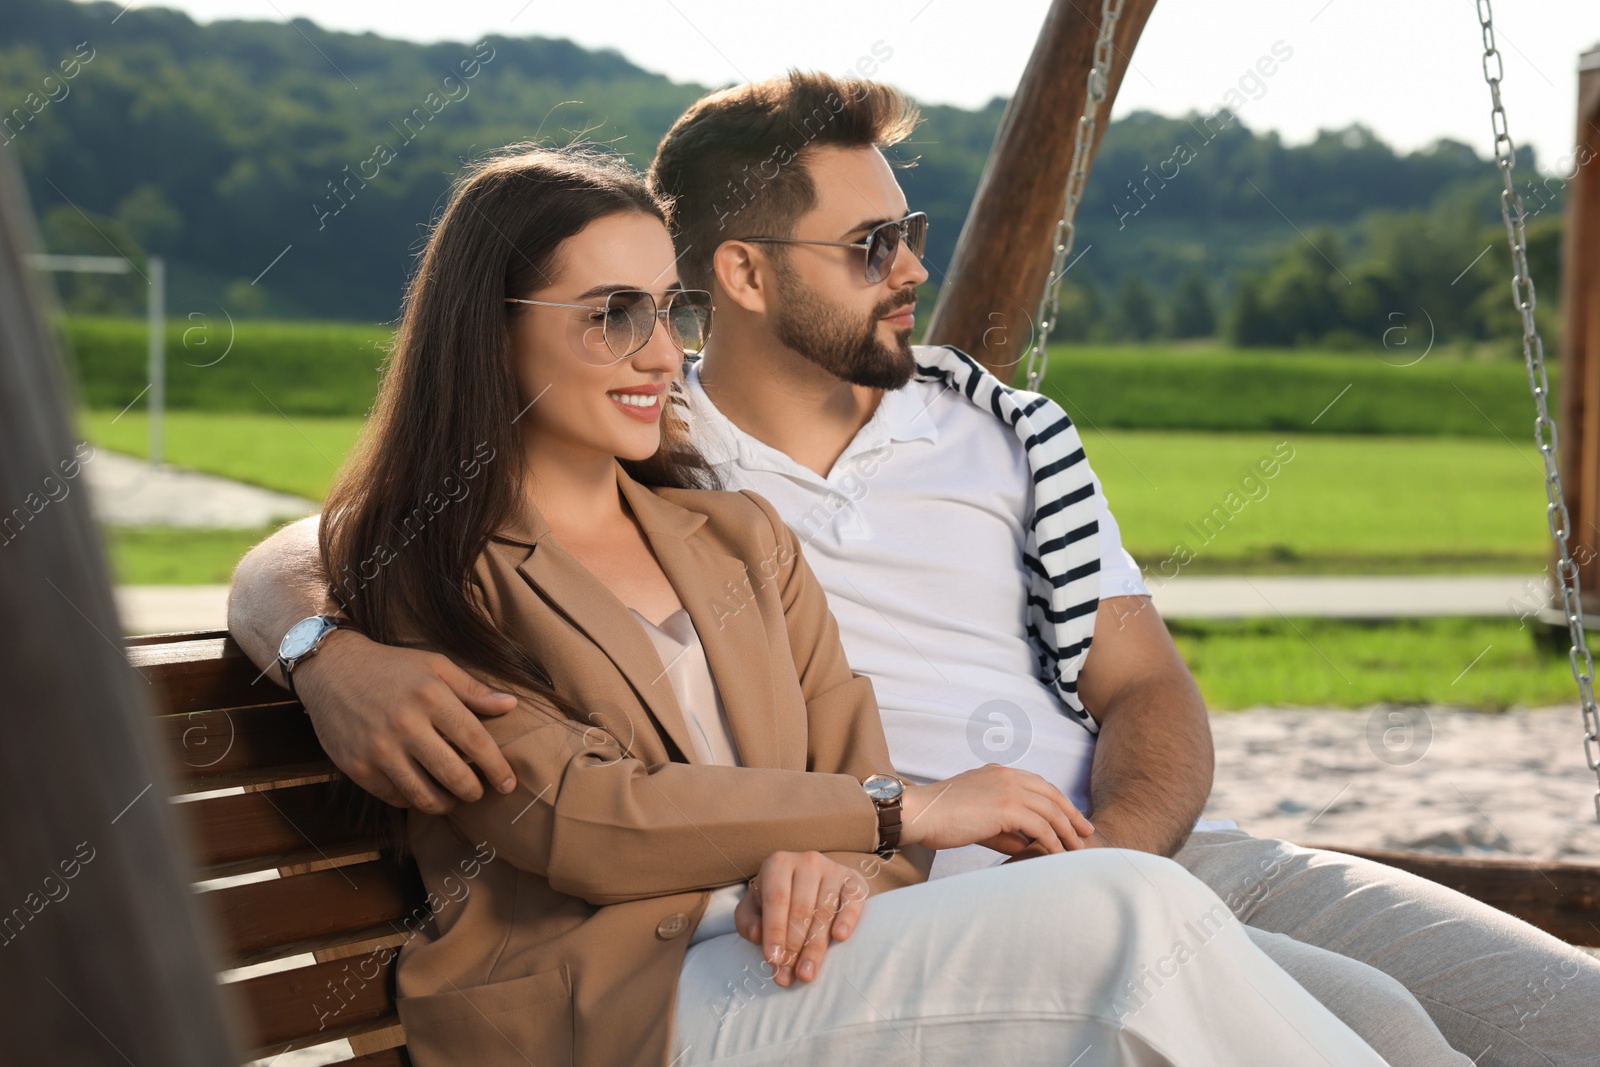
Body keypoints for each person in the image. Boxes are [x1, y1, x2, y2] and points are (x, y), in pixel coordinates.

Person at [229, 74, 1598, 1065]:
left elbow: (1127, 691)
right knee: (1300, 1006)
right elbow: (343, 547)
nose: (912, 269)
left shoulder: (955, 446)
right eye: (872, 243)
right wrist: (314, 646)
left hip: (1137, 861)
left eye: (915, 231)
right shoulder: (627, 459)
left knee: (1530, 1023)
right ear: (749, 277)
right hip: (882, 920)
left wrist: (1054, 853)